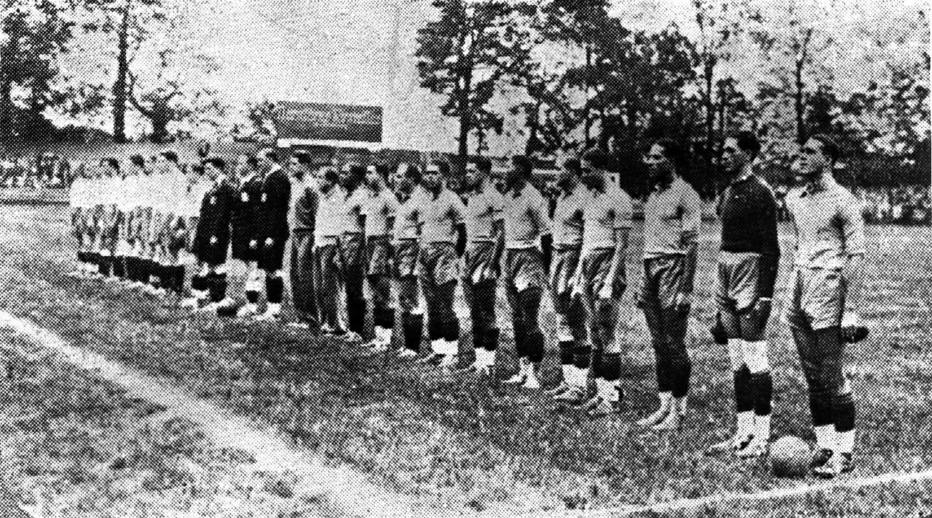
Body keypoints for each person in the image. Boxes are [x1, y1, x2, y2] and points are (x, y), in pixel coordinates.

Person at [784, 134, 866, 478]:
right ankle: (826, 445)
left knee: (831, 373)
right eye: (801, 151)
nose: (801, 156)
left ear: (829, 160)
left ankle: (844, 453)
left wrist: (851, 309)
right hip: (799, 283)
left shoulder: (844, 200)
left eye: (810, 152)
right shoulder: (794, 198)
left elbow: (856, 256)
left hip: (828, 287)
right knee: (811, 373)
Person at [706, 132, 780, 457]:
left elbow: (772, 250)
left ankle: (762, 437)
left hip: (750, 271)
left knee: (755, 359)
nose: (723, 156)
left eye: (730, 151)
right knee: (736, 359)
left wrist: (764, 297)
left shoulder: (761, 193)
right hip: (725, 268)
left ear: (748, 154)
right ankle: (743, 432)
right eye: (722, 150)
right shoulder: (726, 193)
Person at [637, 139, 702, 430]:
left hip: (673, 268)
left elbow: (691, 246)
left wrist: (685, 289)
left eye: (656, 157)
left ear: (671, 161)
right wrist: (643, 276)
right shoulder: (654, 195)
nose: (650, 162)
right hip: (651, 267)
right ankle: (663, 407)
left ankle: (679, 411)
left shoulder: (686, 194)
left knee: (674, 342)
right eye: (648, 157)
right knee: (657, 343)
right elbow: (651, 241)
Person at [568, 149, 632, 417]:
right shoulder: (590, 198)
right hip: (589, 265)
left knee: (607, 332)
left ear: (600, 169)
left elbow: (621, 247)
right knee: (594, 332)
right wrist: (577, 277)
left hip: (608, 265)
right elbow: (587, 239)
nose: (582, 175)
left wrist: (608, 283)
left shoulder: (619, 199)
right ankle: (602, 392)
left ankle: (612, 397)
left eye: (586, 170)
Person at [500, 155, 552, 389]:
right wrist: (495, 260)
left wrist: (548, 268)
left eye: (510, 166)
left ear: (520, 170)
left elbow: (546, 234)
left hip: (529, 257)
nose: (506, 170)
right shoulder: (508, 196)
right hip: (510, 257)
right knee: (517, 319)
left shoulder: (534, 197)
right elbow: (504, 232)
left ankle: (534, 373)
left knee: (529, 317)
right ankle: (522, 369)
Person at [546, 157, 591, 401]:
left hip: (574, 258)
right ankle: (568, 380)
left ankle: (580, 386)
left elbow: (588, 237)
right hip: (558, 256)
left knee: (576, 321)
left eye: (559, 169)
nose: (555, 173)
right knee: (561, 320)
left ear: (572, 172)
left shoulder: (584, 197)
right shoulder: (561, 196)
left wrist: (579, 273)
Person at [414, 160, 466, 369]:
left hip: (444, 254)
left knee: (446, 304)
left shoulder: (452, 199)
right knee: (431, 304)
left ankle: (452, 352)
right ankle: (438, 350)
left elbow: (464, 231)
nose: (429, 177)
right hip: (425, 253)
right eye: (427, 173)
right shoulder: (425, 199)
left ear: (444, 176)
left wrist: (454, 254)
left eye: (434, 173)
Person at [459, 156, 505, 375]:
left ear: (484, 172)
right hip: (470, 253)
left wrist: (492, 263)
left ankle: (489, 362)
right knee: (474, 310)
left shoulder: (494, 196)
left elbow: (501, 233)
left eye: (471, 171)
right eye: (466, 171)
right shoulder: (472, 196)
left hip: (485, 254)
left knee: (486, 310)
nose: (467, 175)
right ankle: (479, 361)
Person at [184, 157, 237, 312]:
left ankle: (217, 299)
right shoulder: (213, 186)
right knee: (203, 262)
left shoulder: (226, 187)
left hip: (217, 233)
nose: (206, 172)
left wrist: (215, 234)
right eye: (206, 169)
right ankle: (201, 297)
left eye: (209, 169)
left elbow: (222, 214)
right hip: (205, 230)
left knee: (216, 265)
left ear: (218, 168)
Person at [252, 147, 292, 321]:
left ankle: (274, 309)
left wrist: (272, 235)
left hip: (274, 232)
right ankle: (271, 307)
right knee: (268, 268)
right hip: (266, 230)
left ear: (270, 159)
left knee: (273, 268)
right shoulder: (269, 177)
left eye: (261, 160)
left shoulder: (279, 178)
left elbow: (278, 209)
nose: (259, 163)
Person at [392, 164, 428, 358]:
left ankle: (413, 348)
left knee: (411, 298)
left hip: (411, 250)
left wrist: (417, 262)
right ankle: (408, 345)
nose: (395, 180)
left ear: (411, 179)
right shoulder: (405, 199)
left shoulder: (420, 199)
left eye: (399, 177)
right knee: (403, 298)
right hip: (401, 249)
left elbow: (424, 233)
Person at [362, 163, 399, 349]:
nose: (367, 176)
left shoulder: (389, 197)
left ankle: (386, 338)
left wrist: (390, 253)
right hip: (370, 244)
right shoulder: (371, 196)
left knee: (383, 291)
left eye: (370, 173)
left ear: (382, 175)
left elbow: (394, 228)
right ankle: (378, 336)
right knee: (375, 292)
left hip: (381, 244)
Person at [314, 166, 349, 335]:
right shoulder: (322, 196)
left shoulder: (339, 198)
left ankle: (338, 324)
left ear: (331, 180)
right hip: (320, 243)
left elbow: (341, 227)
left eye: (321, 177)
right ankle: (328, 320)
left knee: (332, 286)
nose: (318, 180)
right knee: (321, 287)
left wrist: (337, 249)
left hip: (331, 244)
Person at [335, 163, 369, 339]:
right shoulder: (345, 195)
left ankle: (357, 330)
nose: (342, 176)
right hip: (343, 241)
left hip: (355, 243)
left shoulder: (362, 196)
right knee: (347, 287)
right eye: (341, 172)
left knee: (355, 288)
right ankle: (350, 327)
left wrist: (361, 250)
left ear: (356, 176)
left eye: (346, 173)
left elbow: (365, 226)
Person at [287, 152, 320, 330]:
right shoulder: (294, 184)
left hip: (308, 233)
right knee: (294, 274)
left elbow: (317, 214)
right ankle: (300, 315)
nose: (291, 167)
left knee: (305, 275)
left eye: (294, 164)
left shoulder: (311, 186)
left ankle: (311, 317)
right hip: (295, 233)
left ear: (305, 165)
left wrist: (315, 237)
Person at [231, 155, 265, 317]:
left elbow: (258, 213)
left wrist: (255, 236)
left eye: (241, 163)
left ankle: (252, 306)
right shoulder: (243, 183)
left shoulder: (256, 184)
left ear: (250, 165)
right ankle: (250, 303)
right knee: (248, 267)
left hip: (250, 233)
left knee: (253, 268)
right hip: (241, 232)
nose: (237, 165)